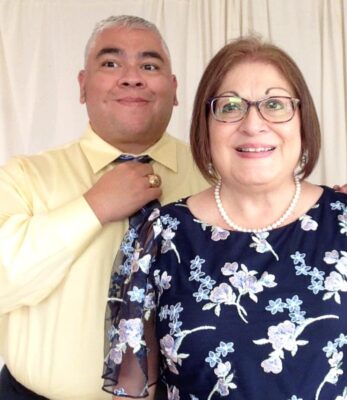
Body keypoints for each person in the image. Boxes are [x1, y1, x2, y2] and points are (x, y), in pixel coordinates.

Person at [102, 36, 347, 399]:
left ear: (302, 122)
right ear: (206, 126)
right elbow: (139, 387)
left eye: (275, 104)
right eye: (230, 107)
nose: (253, 124)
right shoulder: (160, 236)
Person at [0, 15, 208, 399]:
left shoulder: (217, 182)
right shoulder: (24, 177)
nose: (132, 77)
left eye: (149, 65)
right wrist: (92, 208)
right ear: (82, 86)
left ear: (175, 89)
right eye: (111, 64)